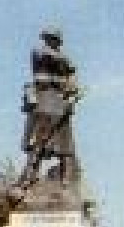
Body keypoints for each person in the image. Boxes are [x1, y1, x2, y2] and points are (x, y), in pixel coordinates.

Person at [20, 27, 80, 180]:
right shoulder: (41, 52)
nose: (49, 42)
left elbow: (72, 78)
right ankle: (30, 175)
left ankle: (65, 177)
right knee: (39, 139)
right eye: (48, 39)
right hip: (44, 98)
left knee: (65, 144)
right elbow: (40, 75)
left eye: (52, 39)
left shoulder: (63, 58)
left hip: (59, 101)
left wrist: (71, 88)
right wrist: (62, 76)